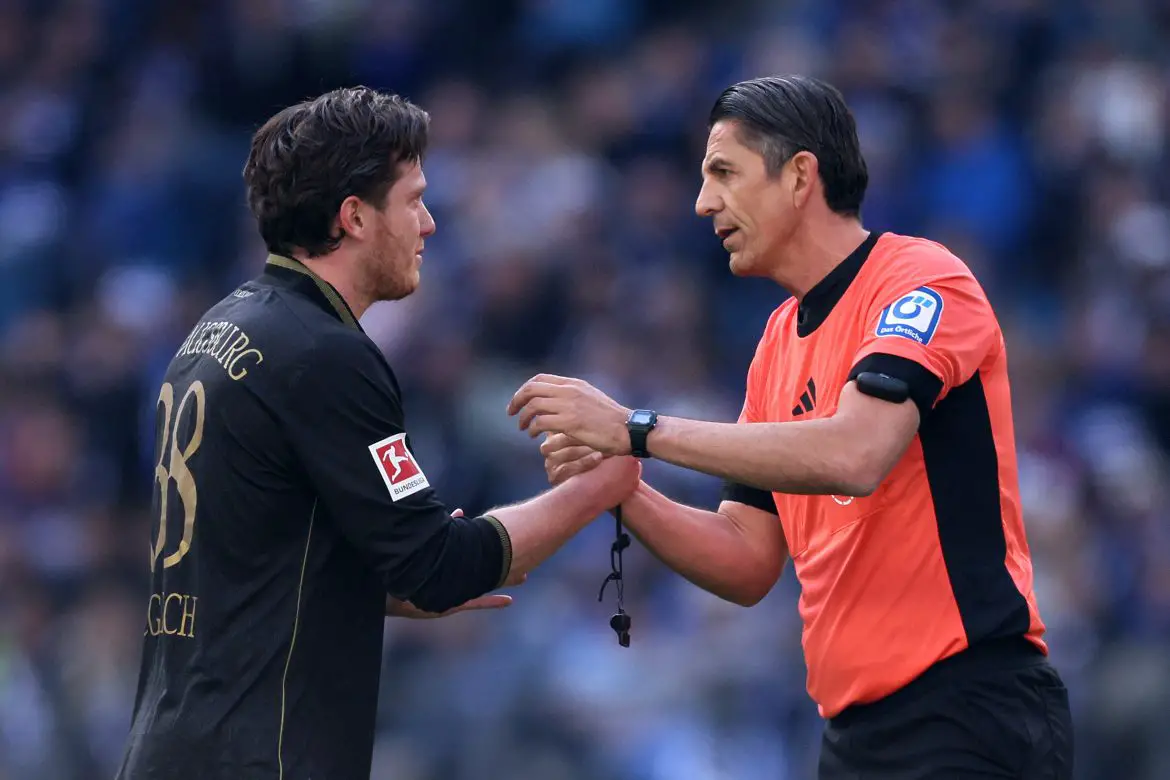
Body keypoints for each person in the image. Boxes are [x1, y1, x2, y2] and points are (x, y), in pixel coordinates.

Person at [509, 75, 1074, 779]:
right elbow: (748, 560)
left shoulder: (923, 280)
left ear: (800, 175)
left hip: (967, 707)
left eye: (723, 172)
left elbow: (858, 451)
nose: (702, 201)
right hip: (855, 734)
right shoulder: (777, 342)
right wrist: (624, 489)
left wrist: (636, 428)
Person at [116, 86, 640, 780]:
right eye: (414, 200)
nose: (427, 224)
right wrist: (604, 480)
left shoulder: (215, 332)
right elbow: (439, 566)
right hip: (263, 757)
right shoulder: (324, 355)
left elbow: (252, 558)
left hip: (171, 749)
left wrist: (388, 580)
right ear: (355, 217)